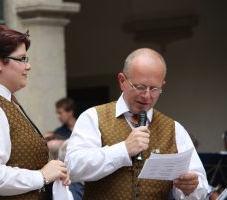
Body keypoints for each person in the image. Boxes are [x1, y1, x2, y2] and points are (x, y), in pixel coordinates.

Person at [66, 48, 208, 199]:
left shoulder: (174, 129)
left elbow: (201, 188)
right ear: (122, 81)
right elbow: (73, 168)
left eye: (154, 89)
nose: (147, 95)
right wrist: (123, 150)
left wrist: (190, 187)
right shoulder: (93, 117)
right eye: (140, 87)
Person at [0, 23, 69, 200]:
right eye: (22, 59)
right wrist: (42, 176)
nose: (28, 66)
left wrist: (54, 172)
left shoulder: (3, 101)